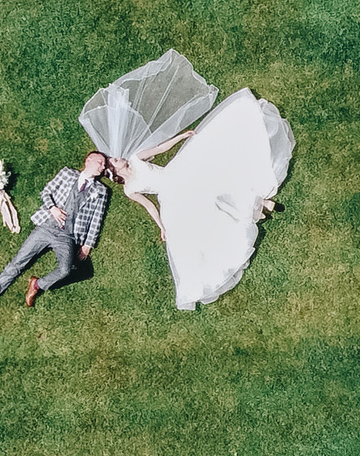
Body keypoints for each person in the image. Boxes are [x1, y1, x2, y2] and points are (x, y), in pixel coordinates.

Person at [108, 87, 293, 309]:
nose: (118, 158)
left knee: (216, 183)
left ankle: (260, 203)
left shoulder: (136, 158)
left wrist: (181, 137)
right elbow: (148, 205)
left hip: (177, 173)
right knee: (206, 215)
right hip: (170, 194)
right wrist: (161, 226)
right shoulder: (130, 190)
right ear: (115, 173)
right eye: (115, 161)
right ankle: (255, 208)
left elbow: (158, 149)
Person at [0, 151, 110, 308]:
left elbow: (97, 219)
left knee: (65, 270)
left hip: (68, 236)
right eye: (100, 162)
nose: (103, 166)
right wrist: (52, 208)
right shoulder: (67, 173)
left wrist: (87, 245)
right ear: (88, 161)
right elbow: (46, 191)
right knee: (20, 260)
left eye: (104, 164)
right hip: (47, 226)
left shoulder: (101, 191)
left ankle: (37, 285)